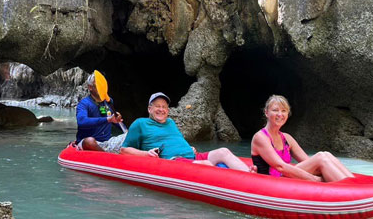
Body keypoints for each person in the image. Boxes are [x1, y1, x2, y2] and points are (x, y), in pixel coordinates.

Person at [120, 92, 255, 172]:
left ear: (168, 110)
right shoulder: (140, 123)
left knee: (223, 151)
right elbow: (124, 150)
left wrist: (189, 148)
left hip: (192, 156)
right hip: (174, 161)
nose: (161, 109)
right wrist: (145, 153)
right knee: (207, 165)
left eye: (164, 107)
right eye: (157, 106)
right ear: (150, 109)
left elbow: (176, 141)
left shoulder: (171, 122)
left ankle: (251, 178)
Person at [251, 95, 354, 182]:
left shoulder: (287, 138)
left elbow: (309, 162)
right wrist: (316, 179)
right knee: (321, 157)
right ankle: (350, 190)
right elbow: (280, 167)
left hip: (285, 178)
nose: (280, 114)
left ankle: (354, 182)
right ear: (266, 113)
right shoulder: (260, 137)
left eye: (284, 111)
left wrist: (322, 172)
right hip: (273, 182)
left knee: (325, 155)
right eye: (275, 110)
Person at [76, 73, 125, 153]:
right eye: (98, 86)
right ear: (90, 87)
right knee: (90, 141)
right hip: (88, 142)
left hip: (107, 142)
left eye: (102, 87)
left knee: (132, 134)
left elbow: (113, 119)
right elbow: (81, 122)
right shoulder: (84, 104)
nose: (101, 89)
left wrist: (117, 120)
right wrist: (107, 119)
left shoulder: (109, 101)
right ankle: (107, 156)